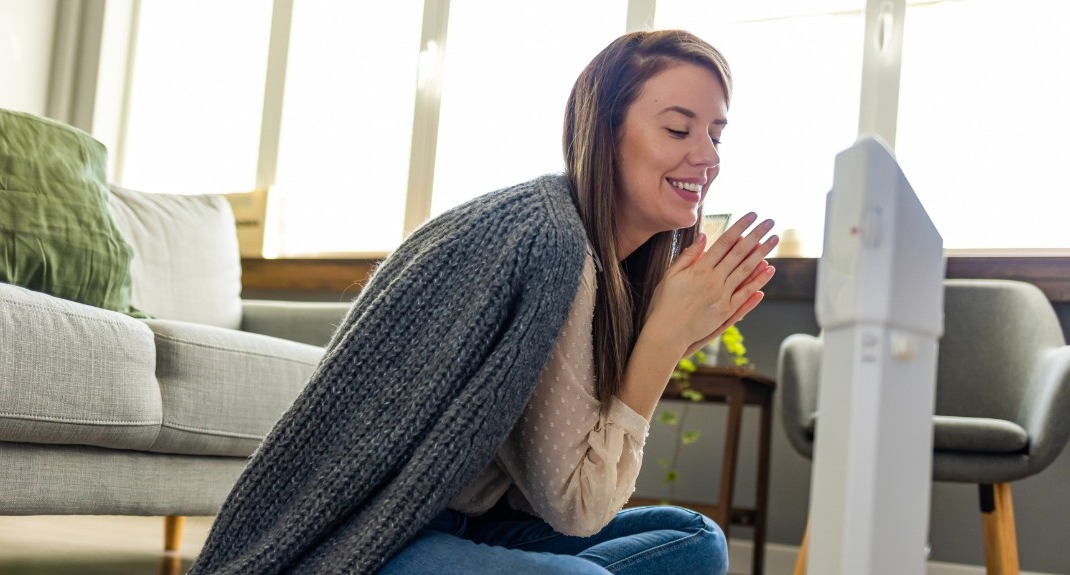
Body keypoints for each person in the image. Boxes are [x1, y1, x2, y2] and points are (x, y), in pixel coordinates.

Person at [190, 29, 777, 575]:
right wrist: (663, 343)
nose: (708, 157)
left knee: (696, 542)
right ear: (603, 131)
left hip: (474, 523)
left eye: (716, 135)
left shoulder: (597, 255)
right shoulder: (550, 244)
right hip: (375, 534)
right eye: (679, 130)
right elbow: (577, 508)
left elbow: (539, 490)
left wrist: (664, 335)